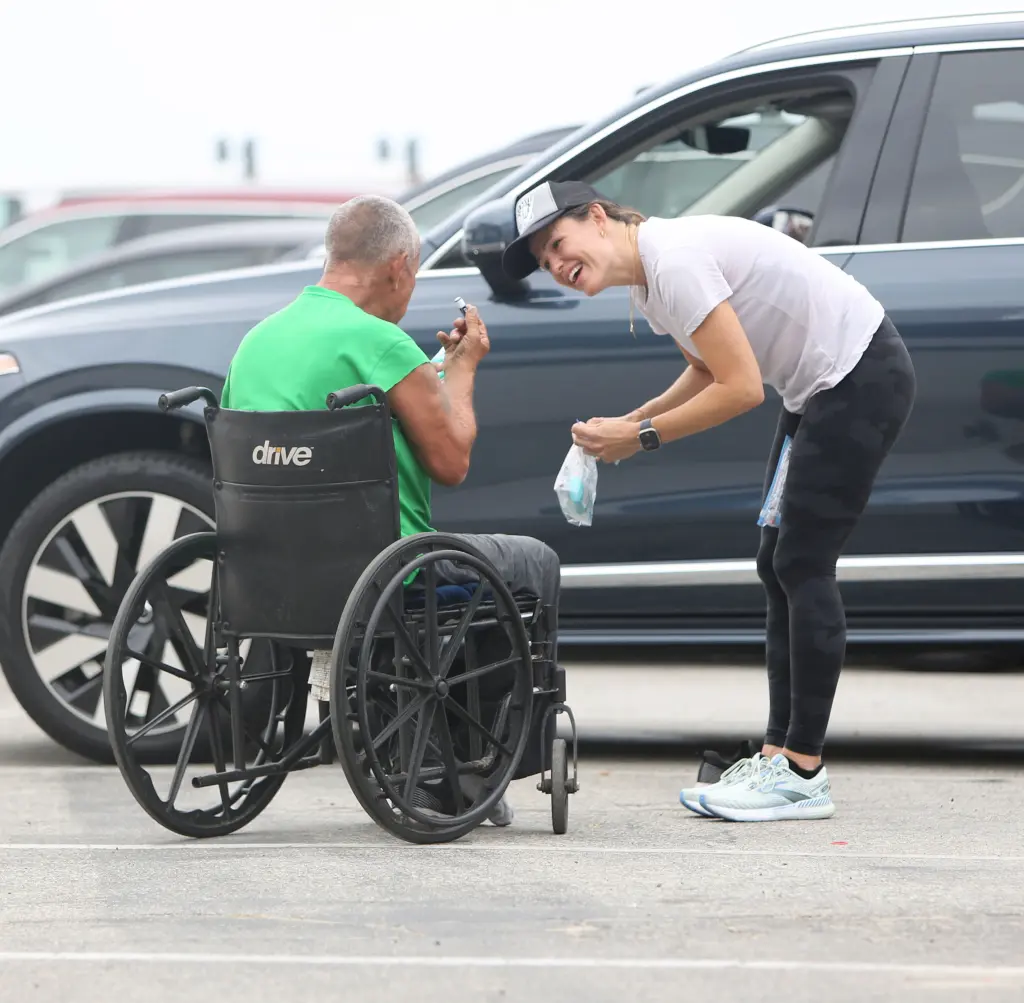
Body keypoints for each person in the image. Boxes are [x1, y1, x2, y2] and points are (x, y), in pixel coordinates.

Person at [501, 180, 917, 822]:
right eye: (543, 261)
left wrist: (638, 437)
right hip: (818, 390)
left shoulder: (674, 260)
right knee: (776, 561)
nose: (555, 265)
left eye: (559, 243)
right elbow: (704, 367)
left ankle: (802, 769)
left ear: (600, 219)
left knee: (803, 564)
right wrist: (631, 417)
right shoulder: (651, 279)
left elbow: (742, 387)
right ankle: (778, 759)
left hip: (857, 376)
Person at [221, 194, 562, 826]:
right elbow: (451, 461)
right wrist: (460, 372)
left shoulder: (257, 342)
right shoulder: (381, 345)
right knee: (531, 564)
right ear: (400, 267)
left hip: (271, 576)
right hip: (385, 574)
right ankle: (478, 766)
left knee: (452, 570)